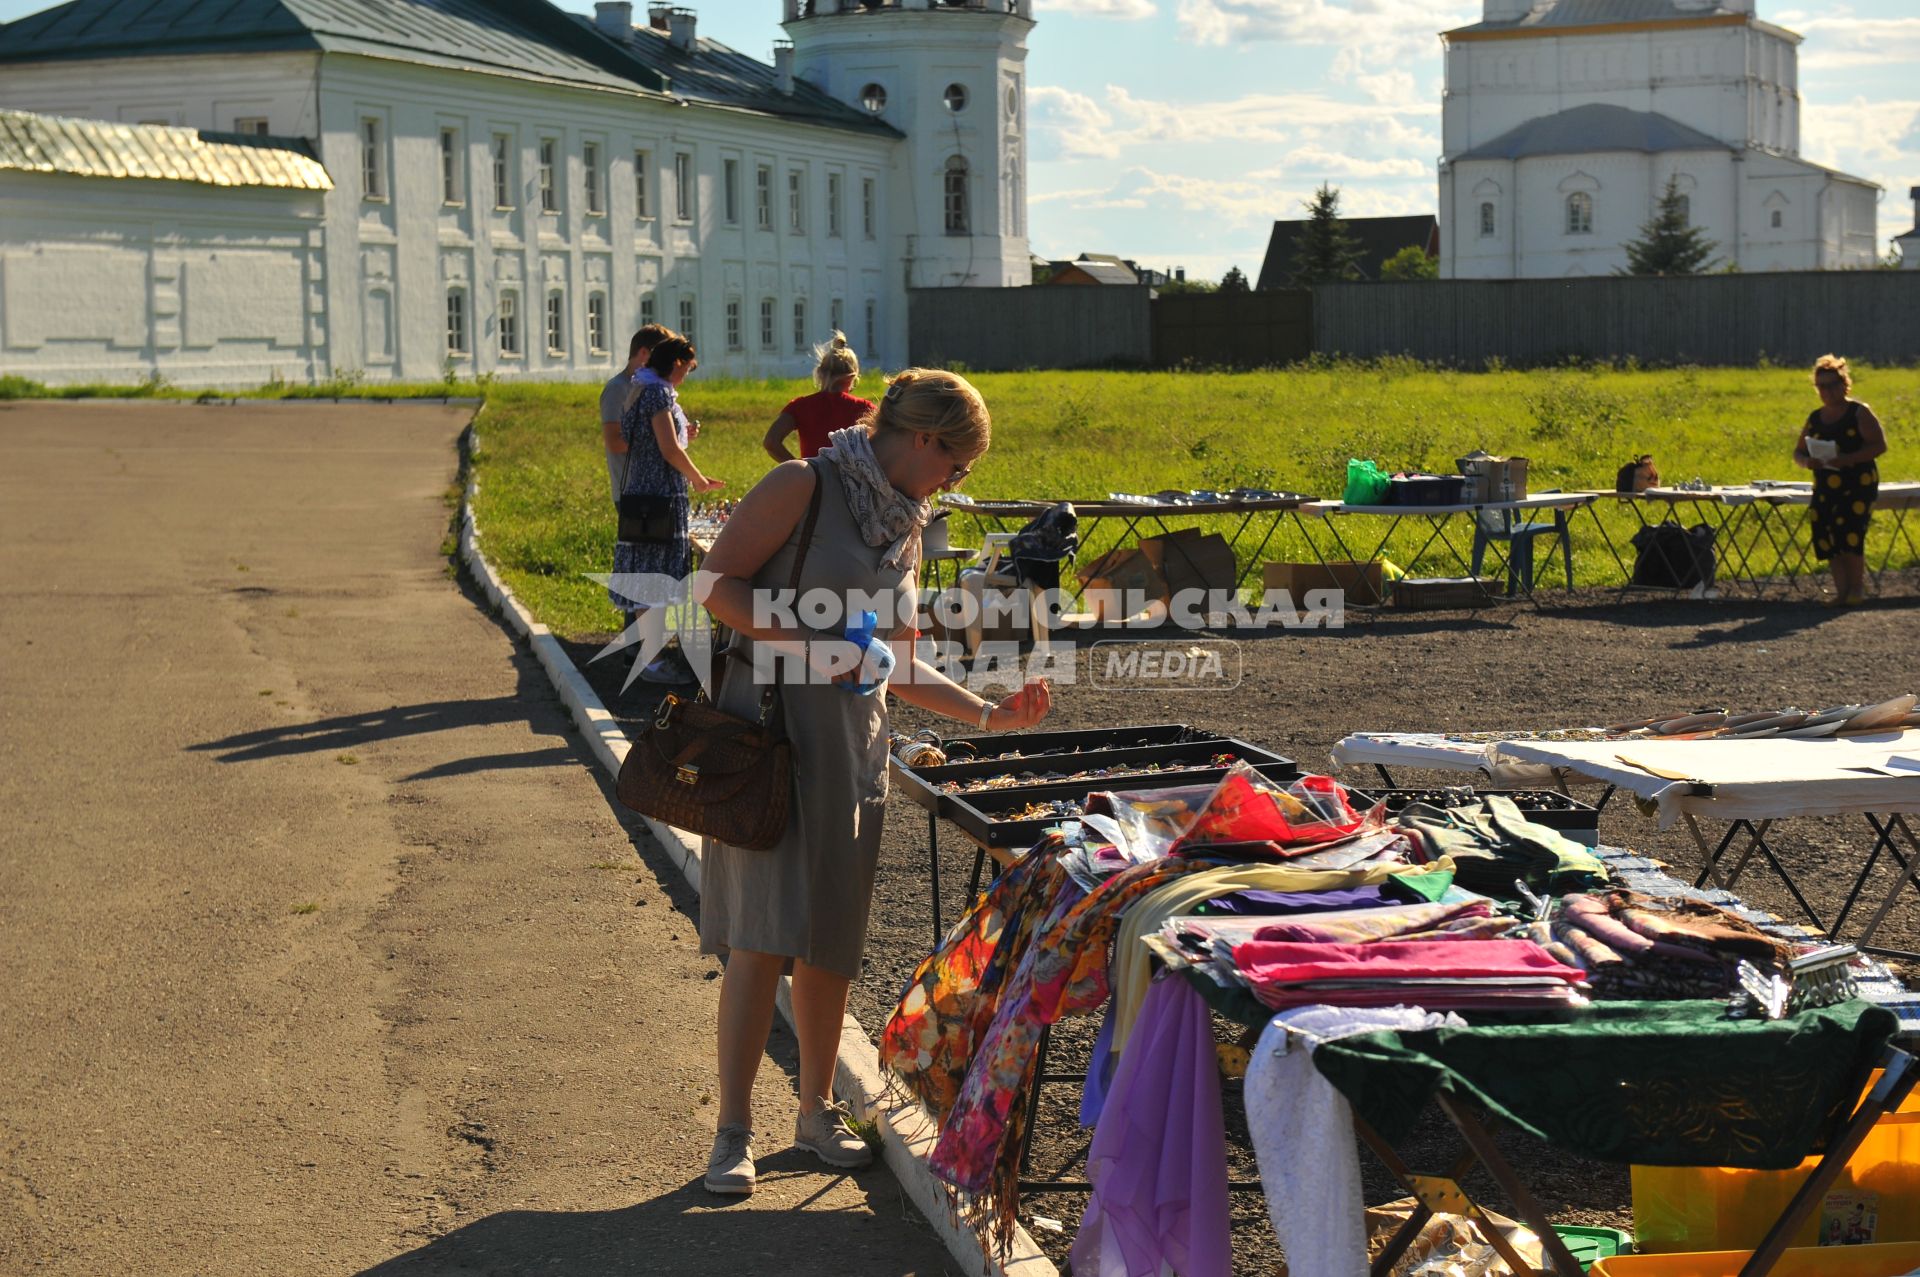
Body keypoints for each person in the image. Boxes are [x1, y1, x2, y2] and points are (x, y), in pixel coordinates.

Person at [692, 369, 1052, 1195]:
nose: (956, 483)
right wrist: (818, 646)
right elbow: (714, 586)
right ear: (923, 439)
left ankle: (815, 1112)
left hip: (852, 746)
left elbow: (902, 660)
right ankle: (732, 1131)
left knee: (831, 943)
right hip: (770, 737)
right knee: (760, 938)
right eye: (956, 465)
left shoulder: (907, 521)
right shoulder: (801, 483)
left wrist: (989, 715)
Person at [607, 336, 724, 685]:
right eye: (687, 368)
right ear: (675, 364)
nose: (687, 376)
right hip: (659, 496)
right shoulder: (657, 394)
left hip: (643, 494)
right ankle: (653, 661)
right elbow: (669, 449)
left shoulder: (640, 389)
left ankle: (650, 656)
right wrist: (700, 480)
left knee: (649, 578)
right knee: (655, 580)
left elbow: (645, 438)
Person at [1793, 353, 1888, 605]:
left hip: (1858, 484)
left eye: (1832, 385)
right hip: (1826, 485)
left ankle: (1856, 590)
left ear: (1844, 384)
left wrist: (1848, 459)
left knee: (1851, 534)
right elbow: (1798, 451)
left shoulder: (1858, 412)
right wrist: (1806, 462)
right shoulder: (1815, 418)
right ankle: (1841, 592)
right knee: (1828, 535)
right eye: (1822, 386)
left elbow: (1879, 446)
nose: (1827, 391)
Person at [762, 330, 876, 462]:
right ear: (851, 378)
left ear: (820, 373)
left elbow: (770, 442)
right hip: (852, 481)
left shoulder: (800, 407)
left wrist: (800, 469)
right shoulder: (865, 409)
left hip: (814, 480)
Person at [601, 324, 677, 504]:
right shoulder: (618, 389)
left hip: (657, 489)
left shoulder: (653, 387)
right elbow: (614, 442)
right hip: (633, 493)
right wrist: (662, 440)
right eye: (662, 358)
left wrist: (677, 433)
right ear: (643, 353)